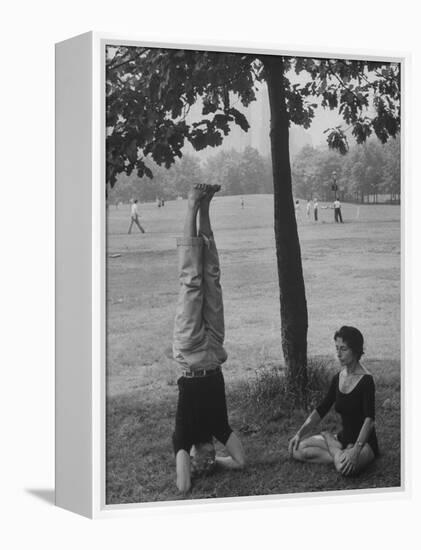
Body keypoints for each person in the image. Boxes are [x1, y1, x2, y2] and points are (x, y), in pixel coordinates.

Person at [172, 183, 246, 493]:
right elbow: (241, 461)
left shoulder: (184, 437)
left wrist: (190, 465)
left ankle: (191, 204)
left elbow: (183, 487)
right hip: (214, 348)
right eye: (213, 460)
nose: (210, 460)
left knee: (192, 281)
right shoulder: (218, 428)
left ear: (191, 458)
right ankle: (206, 208)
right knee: (213, 277)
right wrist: (221, 465)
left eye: (205, 462)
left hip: (189, 351)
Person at [288, 326, 379, 476]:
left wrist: (356, 450)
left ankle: (330, 442)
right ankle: (339, 453)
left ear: (355, 350)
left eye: (343, 349)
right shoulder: (338, 378)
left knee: (345, 469)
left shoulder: (366, 380)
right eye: (336, 348)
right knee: (296, 450)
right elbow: (321, 409)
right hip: (343, 438)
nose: (338, 354)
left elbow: (369, 420)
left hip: (364, 443)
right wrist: (299, 433)